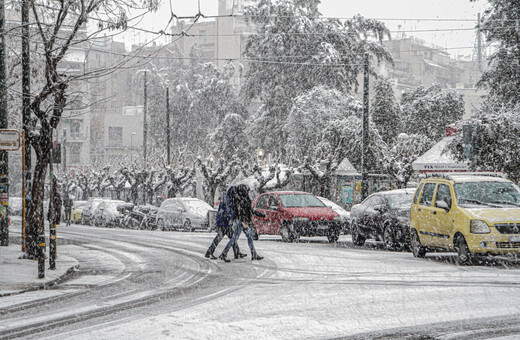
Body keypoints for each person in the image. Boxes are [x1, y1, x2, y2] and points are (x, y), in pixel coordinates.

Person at [219, 184, 265, 262]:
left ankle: (224, 253)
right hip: (242, 221)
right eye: (247, 191)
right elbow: (249, 211)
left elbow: (240, 211)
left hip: (239, 220)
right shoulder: (244, 200)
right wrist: (262, 215)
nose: (248, 193)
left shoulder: (238, 199)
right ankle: (253, 254)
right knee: (245, 237)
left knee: (238, 237)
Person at [205, 186, 247, 260]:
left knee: (227, 237)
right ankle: (210, 252)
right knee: (227, 238)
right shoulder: (228, 200)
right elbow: (227, 211)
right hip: (225, 222)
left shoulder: (226, 199)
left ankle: (210, 252)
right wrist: (231, 217)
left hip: (223, 221)